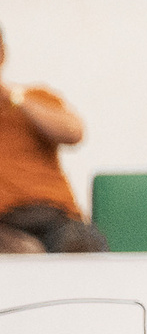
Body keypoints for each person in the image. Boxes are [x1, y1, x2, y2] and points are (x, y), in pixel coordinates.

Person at [0, 25, 106, 253]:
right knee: (18, 253)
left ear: (2, 53)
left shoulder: (36, 97)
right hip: (4, 225)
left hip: (55, 216)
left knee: (81, 244)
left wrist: (15, 98)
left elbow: (74, 133)